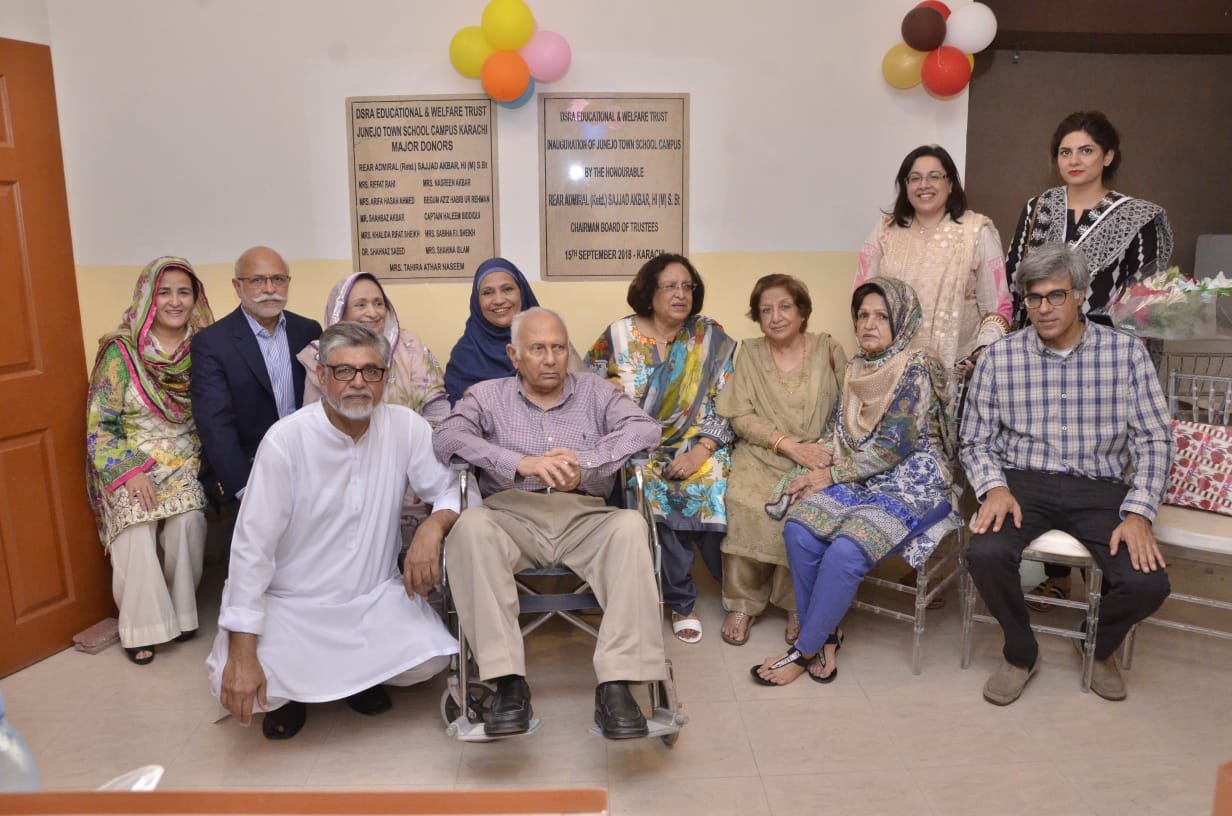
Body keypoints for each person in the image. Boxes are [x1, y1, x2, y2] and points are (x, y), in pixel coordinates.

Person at [207, 323, 465, 740]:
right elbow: (250, 550)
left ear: (385, 377)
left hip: (371, 599)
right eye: (344, 371)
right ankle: (300, 695)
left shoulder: (405, 427)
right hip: (292, 608)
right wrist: (241, 651)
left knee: (429, 662)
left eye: (371, 371)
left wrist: (434, 525)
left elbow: (450, 489)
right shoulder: (286, 441)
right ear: (322, 376)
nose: (358, 383)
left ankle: (355, 681)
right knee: (243, 684)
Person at [435, 308, 665, 740]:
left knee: (632, 527)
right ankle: (507, 684)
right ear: (514, 354)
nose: (550, 358)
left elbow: (645, 429)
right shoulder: (486, 396)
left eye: (558, 348)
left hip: (583, 515)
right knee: (469, 529)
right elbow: (447, 438)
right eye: (537, 348)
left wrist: (587, 462)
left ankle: (617, 686)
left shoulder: (596, 391)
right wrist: (519, 463)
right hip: (510, 516)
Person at [961, 244, 1172, 705]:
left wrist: (1138, 512)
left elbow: (1155, 440)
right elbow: (974, 440)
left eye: (1056, 296)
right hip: (1022, 482)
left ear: (1080, 295)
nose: (1043, 308)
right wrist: (993, 487)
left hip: (1099, 486)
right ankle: (1021, 652)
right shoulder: (1001, 358)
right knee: (985, 554)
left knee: (1148, 582)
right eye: (1033, 298)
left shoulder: (1127, 355)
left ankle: (1096, 643)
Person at [1004, 111, 1174, 608]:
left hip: (1104, 358)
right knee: (1040, 449)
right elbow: (1019, 280)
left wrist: (1119, 350)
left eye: (1085, 151)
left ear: (1108, 156)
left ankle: (1109, 571)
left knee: (1093, 460)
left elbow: (1148, 300)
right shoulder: (1039, 207)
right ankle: (1053, 572)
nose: (1074, 161)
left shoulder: (1141, 216)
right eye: (1065, 152)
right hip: (1038, 350)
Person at [752, 277, 958, 686]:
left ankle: (804, 649)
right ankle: (826, 634)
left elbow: (893, 447)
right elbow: (839, 431)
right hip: (861, 477)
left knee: (846, 551)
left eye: (882, 316)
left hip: (914, 482)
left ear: (901, 321)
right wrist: (812, 468)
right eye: (863, 315)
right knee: (798, 529)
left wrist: (829, 474)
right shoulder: (856, 368)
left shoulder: (917, 365)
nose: (869, 324)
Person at [585, 253, 736, 645]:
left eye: (688, 287)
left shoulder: (709, 335)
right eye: (670, 286)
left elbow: (731, 398)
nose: (681, 294)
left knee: (714, 482)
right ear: (649, 292)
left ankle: (737, 592)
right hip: (639, 447)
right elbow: (587, 389)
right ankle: (682, 601)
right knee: (646, 489)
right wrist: (611, 406)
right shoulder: (618, 336)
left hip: (702, 443)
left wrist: (701, 451)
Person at [86, 257, 214, 665]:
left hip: (185, 457)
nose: (175, 301)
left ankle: (181, 614)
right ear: (147, 297)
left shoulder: (206, 347)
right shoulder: (120, 353)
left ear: (195, 298)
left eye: (184, 292)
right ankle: (140, 627)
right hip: (129, 458)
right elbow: (100, 424)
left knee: (188, 521)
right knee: (136, 525)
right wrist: (129, 473)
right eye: (164, 292)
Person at [715, 275, 847, 647]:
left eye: (785, 306)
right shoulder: (751, 353)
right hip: (764, 452)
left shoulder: (829, 349)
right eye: (766, 310)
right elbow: (738, 415)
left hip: (818, 455)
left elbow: (849, 410)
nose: (776, 316)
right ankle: (742, 603)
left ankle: (798, 604)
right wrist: (787, 445)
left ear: (802, 311)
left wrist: (820, 454)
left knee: (804, 511)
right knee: (744, 501)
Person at [297, 272, 449, 549]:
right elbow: (313, 430)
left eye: (379, 303)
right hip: (342, 471)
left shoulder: (410, 347)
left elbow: (437, 409)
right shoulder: (318, 356)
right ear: (340, 311)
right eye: (361, 304)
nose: (373, 312)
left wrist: (420, 464)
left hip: (410, 466)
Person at [856, 144, 1012, 374]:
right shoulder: (885, 231)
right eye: (915, 178)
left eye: (934, 177)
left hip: (958, 372)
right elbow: (861, 297)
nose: (924, 185)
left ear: (950, 184)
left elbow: (997, 307)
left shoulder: (976, 231)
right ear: (905, 186)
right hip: (892, 373)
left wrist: (980, 355)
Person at [190, 246, 322, 506]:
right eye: (257, 280)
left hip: (307, 463)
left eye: (278, 279)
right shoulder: (212, 342)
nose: (270, 289)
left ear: (288, 282)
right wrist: (245, 488)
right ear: (237, 287)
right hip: (249, 469)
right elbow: (215, 423)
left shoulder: (308, 330)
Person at [442, 257, 540, 404]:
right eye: (488, 293)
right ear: (477, 301)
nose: (499, 300)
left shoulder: (549, 341)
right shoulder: (465, 355)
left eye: (507, 289)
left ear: (522, 293)